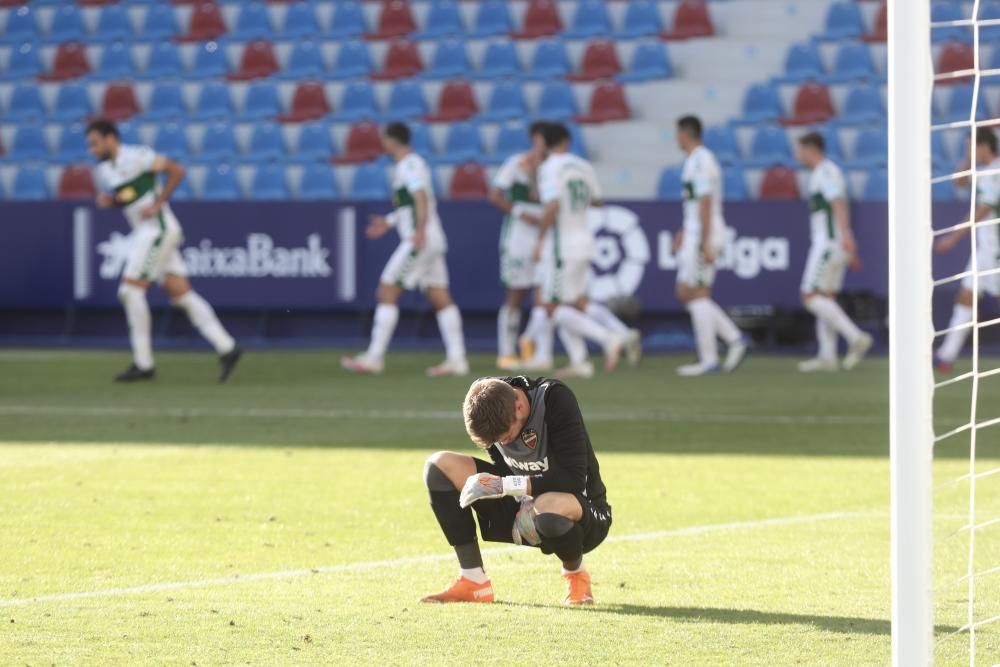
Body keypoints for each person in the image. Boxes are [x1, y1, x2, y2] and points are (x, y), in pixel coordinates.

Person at [420, 376, 611, 606]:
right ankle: (473, 581)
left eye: (507, 437)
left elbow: (573, 479)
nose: (505, 444)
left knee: (548, 507)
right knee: (439, 465)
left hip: (582, 513)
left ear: (519, 406)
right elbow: (504, 468)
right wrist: (508, 492)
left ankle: (576, 575)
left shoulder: (554, 399)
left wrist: (508, 487)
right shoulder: (491, 402)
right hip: (523, 505)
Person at [86, 119, 241, 383]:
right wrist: (112, 202)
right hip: (146, 232)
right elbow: (131, 194)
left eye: (95, 143)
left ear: (111, 138)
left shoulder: (137, 156)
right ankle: (227, 347)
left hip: (156, 230)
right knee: (181, 294)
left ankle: (143, 363)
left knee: (130, 291)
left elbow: (176, 170)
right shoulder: (106, 171)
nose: (92, 149)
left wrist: (159, 202)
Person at [341, 122, 468, 376]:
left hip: (419, 239)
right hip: (431, 238)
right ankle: (458, 359)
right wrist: (389, 222)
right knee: (439, 296)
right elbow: (411, 204)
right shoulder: (412, 164)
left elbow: (420, 196)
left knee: (387, 290)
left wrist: (418, 231)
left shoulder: (409, 164)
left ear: (390, 140)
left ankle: (374, 357)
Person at [532, 123, 634, 378]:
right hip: (585, 241)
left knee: (551, 306)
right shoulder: (583, 165)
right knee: (571, 304)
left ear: (545, 143)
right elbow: (598, 201)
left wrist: (540, 238)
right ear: (566, 141)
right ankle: (580, 361)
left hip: (562, 245)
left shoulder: (549, 168)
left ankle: (608, 338)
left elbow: (552, 205)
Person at [672, 115, 748, 377]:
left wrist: (703, 239)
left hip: (704, 232)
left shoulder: (701, 160)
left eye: (677, 133)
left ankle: (711, 358)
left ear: (685, 133)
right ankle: (733, 339)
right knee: (688, 293)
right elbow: (696, 204)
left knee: (695, 292)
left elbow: (705, 201)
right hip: (695, 230)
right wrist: (684, 231)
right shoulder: (695, 161)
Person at [795, 132, 873, 372]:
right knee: (825, 298)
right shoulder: (823, 172)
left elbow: (838, 202)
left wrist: (847, 237)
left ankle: (855, 337)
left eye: (799, 149)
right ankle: (827, 356)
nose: (797, 155)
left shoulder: (826, 172)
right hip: (834, 242)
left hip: (829, 243)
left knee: (809, 295)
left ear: (810, 149)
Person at [935, 127, 1000, 372]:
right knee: (966, 296)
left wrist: (953, 238)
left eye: (972, 146)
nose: (970, 151)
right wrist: (968, 158)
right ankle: (945, 356)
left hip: (996, 250)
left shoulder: (995, 173)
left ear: (984, 146)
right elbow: (959, 181)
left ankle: (945, 355)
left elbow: (983, 209)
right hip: (984, 249)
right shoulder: (984, 172)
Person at [488, 121, 550, 370]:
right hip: (518, 237)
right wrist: (518, 212)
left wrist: (534, 173)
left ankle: (535, 349)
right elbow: (494, 196)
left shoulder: (552, 168)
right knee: (515, 293)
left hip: (544, 236)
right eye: (540, 139)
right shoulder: (515, 164)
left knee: (543, 294)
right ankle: (506, 351)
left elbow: (538, 196)